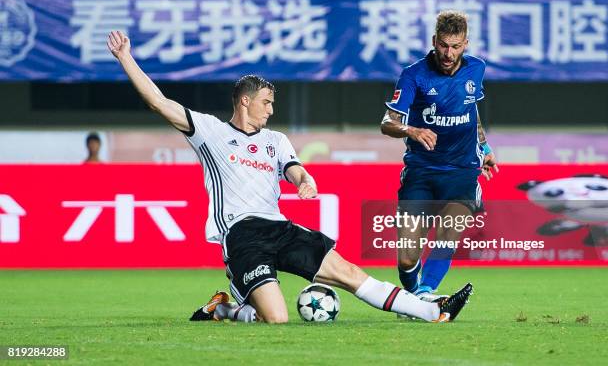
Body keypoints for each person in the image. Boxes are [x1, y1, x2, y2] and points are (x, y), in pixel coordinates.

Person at [106, 30, 473, 324]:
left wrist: (304, 181)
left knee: (347, 271)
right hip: (242, 236)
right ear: (245, 101)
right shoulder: (210, 132)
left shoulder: (276, 139)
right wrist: (126, 58)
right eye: (266, 102)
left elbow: (293, 169)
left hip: (279, 228)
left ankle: (432, 311)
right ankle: (224, 307)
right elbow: (158, 102)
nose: (271, 109)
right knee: (276, 318)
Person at [380, 11, 498, 303]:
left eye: (455, 46)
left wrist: (483, 148)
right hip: (422, 171)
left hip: (462, 170)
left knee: (448, 232)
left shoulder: (476, 69)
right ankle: (415, 295)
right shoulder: (413, 75)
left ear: (466, 44)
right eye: (444, 45)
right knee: (407, 258)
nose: (448, 53)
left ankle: (426, 291)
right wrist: (412, 130)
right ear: (434, 41)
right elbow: (388, 122)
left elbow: (472, 113)